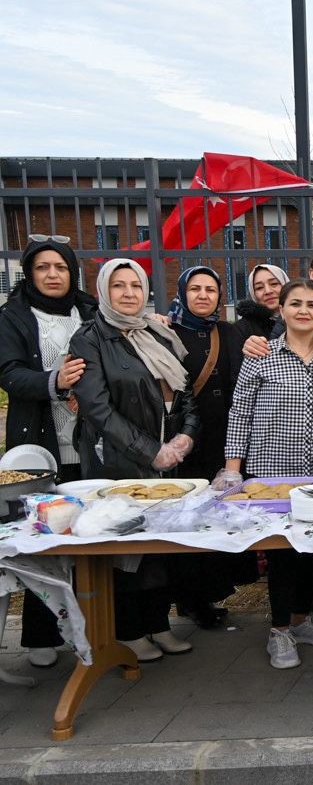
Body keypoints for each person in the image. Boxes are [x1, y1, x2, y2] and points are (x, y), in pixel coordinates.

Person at [70, 258, 200, 662]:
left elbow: (185, 391)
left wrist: (185, 436)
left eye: (136, 286)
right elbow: (97, 408)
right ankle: (128, 631)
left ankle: (158, 624)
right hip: (116, 461)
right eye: (119, 286)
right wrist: (150, 451)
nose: (129, 294)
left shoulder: (157, 332)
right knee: (126, 550)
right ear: (104, 291)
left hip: (166, 457)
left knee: (159, 546)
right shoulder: (88, 339)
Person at [222, 278, 313, 669]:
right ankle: (279, 630)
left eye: (312, 304)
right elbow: (240, 413)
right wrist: (232, 471)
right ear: (282, 310)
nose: (304, 310)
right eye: (296, 303)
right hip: (272, 474)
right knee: (281, 554)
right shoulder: (260, 355)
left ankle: (302, 620)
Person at [0, 236, 97, 668]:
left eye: (60, 266)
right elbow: (9, 374)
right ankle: (43, 634)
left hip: (89, 438)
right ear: (30, 273)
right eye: (43, 267)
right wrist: (53, 381)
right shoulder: (14, 317)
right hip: (40, 442)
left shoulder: (90, 311)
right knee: (44, 541)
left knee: (92, 535)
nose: (53, 274)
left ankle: (95, 628)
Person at [167, 266, 253, 630]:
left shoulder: (229, 332)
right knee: (188, 520)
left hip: (225, 440)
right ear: (183, 293)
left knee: (218, 520)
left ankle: (208, 593)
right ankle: (190, 599)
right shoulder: (166, 333)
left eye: (211, 290)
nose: (203, 296)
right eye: (196, 289)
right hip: (186, 441)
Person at [232, 263, 289, 341]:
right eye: (259, 288)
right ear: (253, 294)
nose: (268, 291)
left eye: (274, 284)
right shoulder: (242, 329)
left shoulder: (303, 318)